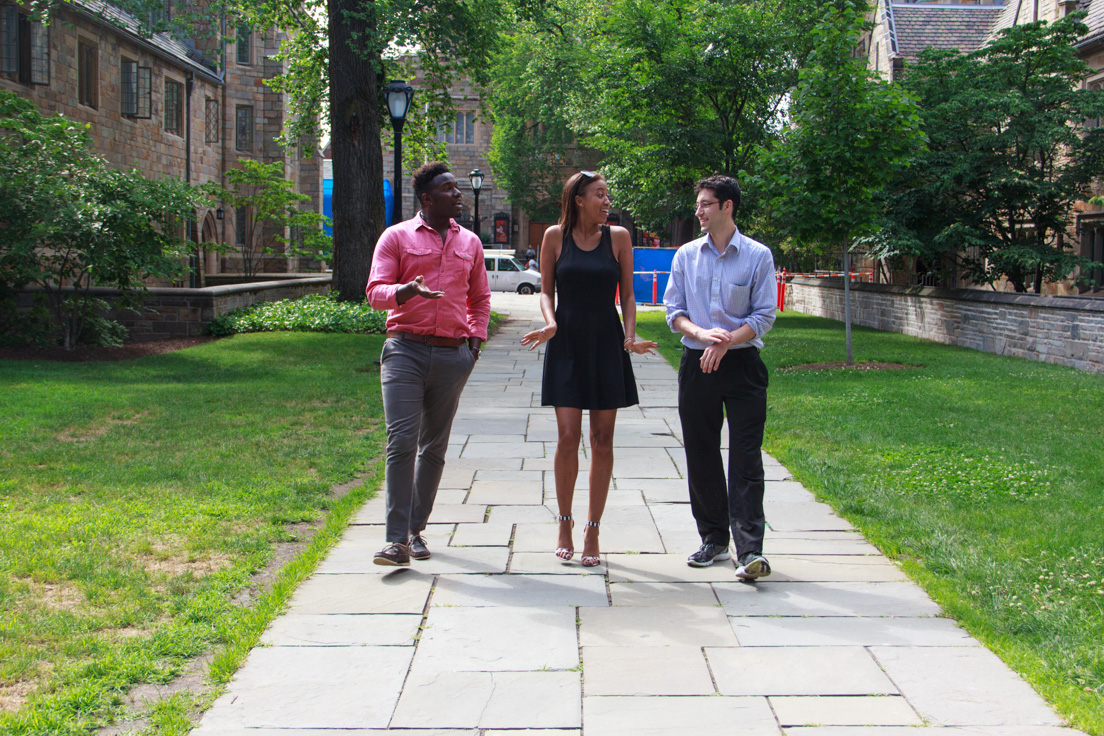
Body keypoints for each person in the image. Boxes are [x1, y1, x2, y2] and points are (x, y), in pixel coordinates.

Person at [521, 171, 657, 566]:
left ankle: (592, 529)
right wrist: (550, 322)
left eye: (607, 195)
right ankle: (564, 522)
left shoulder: (619, 238)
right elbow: (546, 290)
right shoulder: (553, 237)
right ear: (578, 199)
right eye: (600, 194)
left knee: (602, 439)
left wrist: (630, 336)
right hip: (566, 342)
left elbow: (629, 295)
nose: (606, 201)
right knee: (567, 437)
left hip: (606, 343)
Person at [365, 162, 491, 566]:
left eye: (458, 188)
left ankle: (416, 531)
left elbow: (480, 299)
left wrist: (473, 344)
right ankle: (395, 540)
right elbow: (374, 292)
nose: (457, 194)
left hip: (453, 354)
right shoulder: (395, 237)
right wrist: (404, 291)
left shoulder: (470, 243)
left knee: (433, 446)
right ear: (427, 198)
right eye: (449, 189)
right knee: (401, 441)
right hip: (405, 350)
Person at [663, 174, 777, 581]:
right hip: (697, 365)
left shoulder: (758, 256)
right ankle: (713, 539)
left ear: (727, 206)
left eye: (706, 204)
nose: (698, 211)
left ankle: (750, 551)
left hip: (743, 365)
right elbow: (673, 311)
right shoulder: (686, 256)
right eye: (698, 204)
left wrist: (727, 341)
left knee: (746, 457)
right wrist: (701, 335)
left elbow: (764, 315)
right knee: (702, 452)